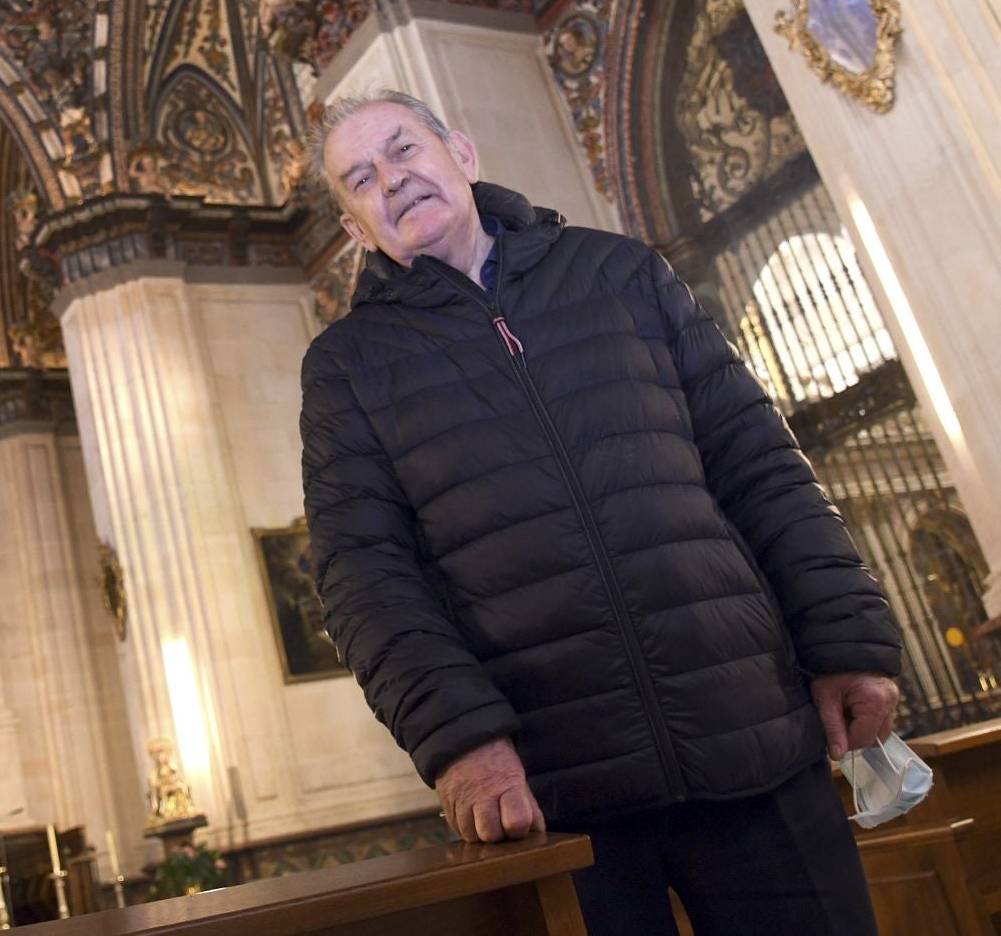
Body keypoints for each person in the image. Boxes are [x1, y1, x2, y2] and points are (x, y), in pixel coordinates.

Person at [298, 91, 903, 935]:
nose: (392, 180)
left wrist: (846, 642)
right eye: (360, 178)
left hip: (752, 735)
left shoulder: (622, 273)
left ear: (463, 154)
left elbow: (759, 466)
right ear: (358, 228)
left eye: (404, 150)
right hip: (558, 797)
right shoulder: (347, 370)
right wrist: (461, 743)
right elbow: (365, 582)